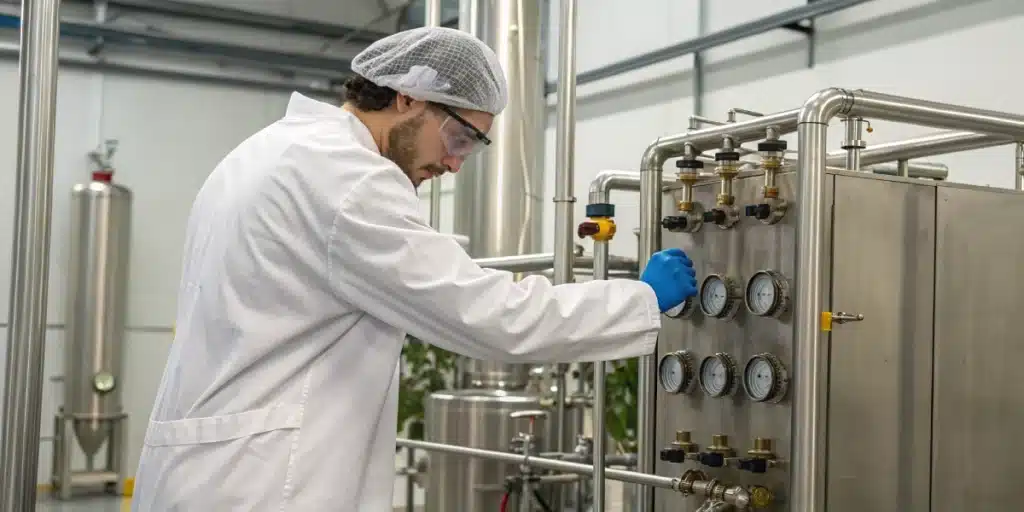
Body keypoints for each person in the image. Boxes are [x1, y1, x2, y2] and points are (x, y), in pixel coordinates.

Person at [130, 26, 697, 511]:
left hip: (209, 466)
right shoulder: (349, 179)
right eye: (457, 137)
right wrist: (639, 299)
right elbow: (490, 316)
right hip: (264, 482)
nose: (453, 163)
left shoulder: (267, 153)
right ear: (407, 98)